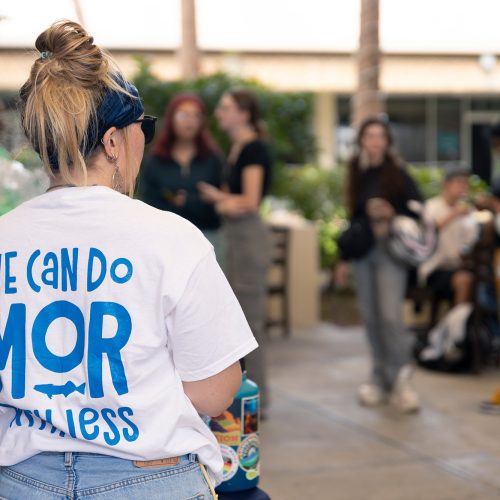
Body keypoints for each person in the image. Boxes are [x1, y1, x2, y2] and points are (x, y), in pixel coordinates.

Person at [0, 20, 258, 499]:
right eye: (145, 128)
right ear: (115, 142)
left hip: (18, 481)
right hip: (150, 476)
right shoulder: (171, 238)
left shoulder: (4, 236)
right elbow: (216, 389)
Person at [335, 115, 423, 413]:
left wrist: (390, 211)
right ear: (361, 140)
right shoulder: (356, 171)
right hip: (363, 251)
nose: (375, 141)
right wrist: (343, 258)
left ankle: (402, 379)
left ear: (387, 141)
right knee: (371, 317)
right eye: (369, 135)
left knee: (390, 316)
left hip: (390, 251)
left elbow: (417, 207)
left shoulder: (395, 172)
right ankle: (379, 378)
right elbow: (353, 216)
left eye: (380, 136)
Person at [198, 89, 272, 412]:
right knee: (236, 322)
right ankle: (243, 396)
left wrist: (218, 199)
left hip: (248, 239)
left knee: (250, 324)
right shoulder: (236, 148)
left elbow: (250, 202)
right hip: (234, 237)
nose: (219, 113)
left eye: (226, 107)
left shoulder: (253, 148)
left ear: (244, 114)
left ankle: (257, 402)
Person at [138, 93, 225, 262]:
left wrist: (187, 202)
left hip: (208, 239)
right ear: (171, 119)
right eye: (184, 115)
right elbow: (147, 199)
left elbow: (222, 201)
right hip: (167, 240)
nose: (190, 121)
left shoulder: (213, 159)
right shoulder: (156, 160)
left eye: (196, 115)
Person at [419, 168, 475, 305]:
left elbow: (471, 240)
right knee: (464, 280)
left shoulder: (467, 210)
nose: (463, 187)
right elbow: (429, 232)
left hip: (459, 265)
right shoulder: (431, 206)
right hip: (435, 267)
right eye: (459, 183)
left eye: (466, 184)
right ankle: (457, 324)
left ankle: (473, 323)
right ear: (445, 185)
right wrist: (454, 214)